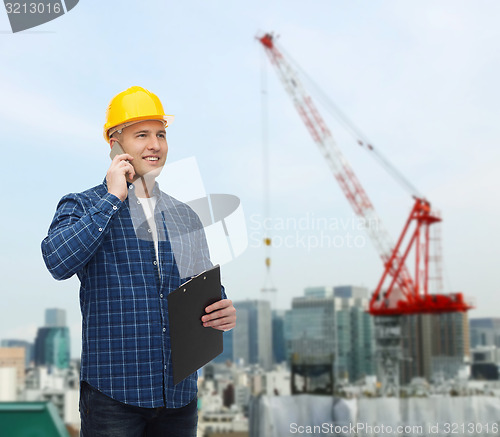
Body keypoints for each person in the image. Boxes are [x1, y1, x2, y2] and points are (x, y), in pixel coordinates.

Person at [41, 86, 236, 437]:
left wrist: (222, 310)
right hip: (113, 397)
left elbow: (205, 290)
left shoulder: (184, 216)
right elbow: (57, 260)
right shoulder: (82, 206)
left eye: (160, 134)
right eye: (142, 135)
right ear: (115, 144)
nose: (155, 145)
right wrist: (113, 197)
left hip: (178, 396)